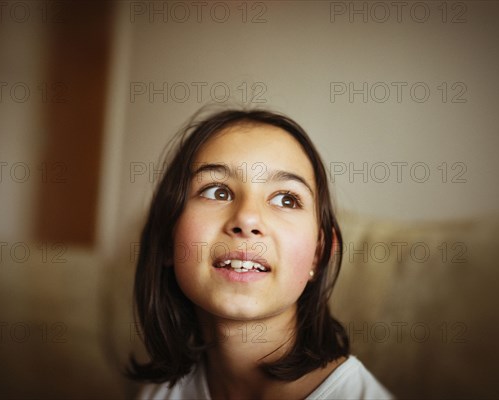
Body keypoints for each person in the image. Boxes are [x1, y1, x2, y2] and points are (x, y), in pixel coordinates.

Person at [128, 108, 393, 399]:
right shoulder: (160, 393)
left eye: (286, 199)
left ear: (319, 254)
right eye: (217, 191)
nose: (247, 219)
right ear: (167, 239)